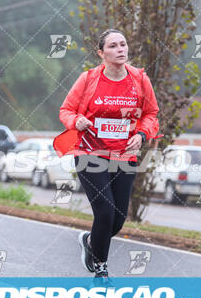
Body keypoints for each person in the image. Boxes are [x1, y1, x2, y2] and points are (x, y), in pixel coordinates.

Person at [59, 29, 159, 278]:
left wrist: (141, 135)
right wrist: (76, 121)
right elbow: (66, 110)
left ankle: (91, 241)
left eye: (123, 44)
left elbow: (151, 113)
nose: (120, 49)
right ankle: (101, 269)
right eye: (113, 46)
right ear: (101, 53)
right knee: (104, 211)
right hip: (90, 152)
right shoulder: (89, 78)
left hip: (124, 155)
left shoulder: (139, 79)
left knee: (118, 218)